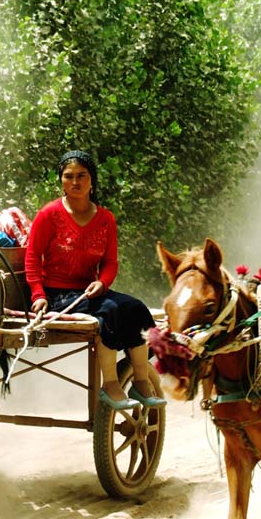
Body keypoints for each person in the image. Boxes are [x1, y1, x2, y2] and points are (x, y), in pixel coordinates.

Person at [25, 150, 164, 410]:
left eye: (81, 176)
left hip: (90, 291)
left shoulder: (105, 219)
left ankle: (141, 381)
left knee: (136, 308)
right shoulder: (49, 214)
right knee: (110, 311)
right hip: (57, 295)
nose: (75, 182)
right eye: (68, 177)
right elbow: (32, 257)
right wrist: (38, 295)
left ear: (92, 180)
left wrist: (103, 282)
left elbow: (110, 262)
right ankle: (110, 385)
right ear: (61, 181)